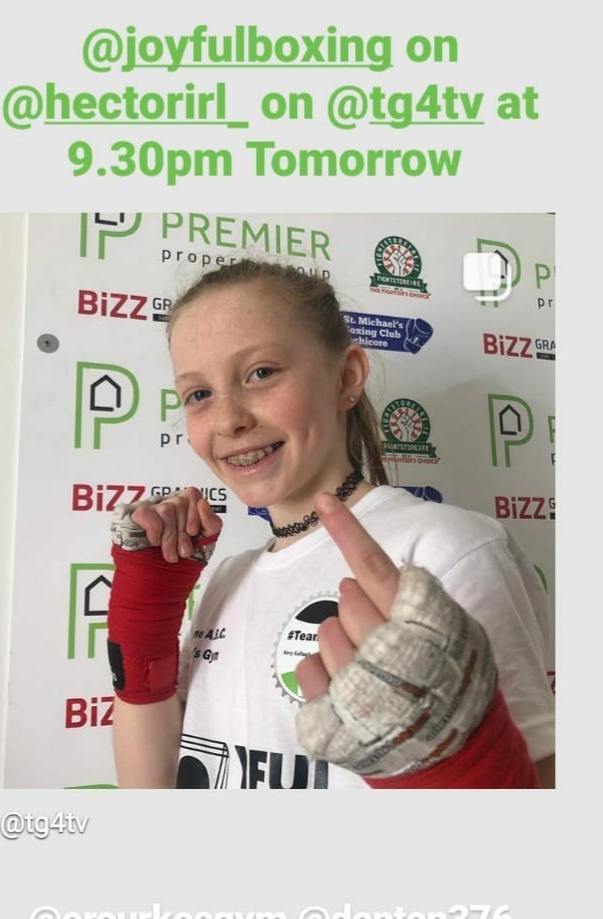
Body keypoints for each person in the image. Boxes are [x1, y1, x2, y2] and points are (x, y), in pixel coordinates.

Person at [107, 260, 555, 789]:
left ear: (347, 377)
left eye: (260, 373)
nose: (228, 420)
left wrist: (449, 765)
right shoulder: (226, 578)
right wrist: (144, 631)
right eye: (198, 394)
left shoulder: (446, 549)